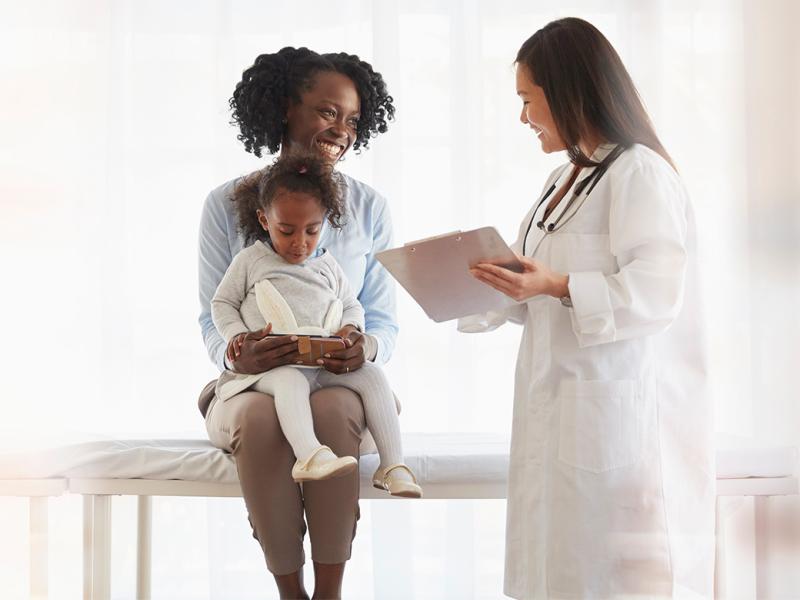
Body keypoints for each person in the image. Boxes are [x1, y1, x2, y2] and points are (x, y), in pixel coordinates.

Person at [461, 18, 714, 599]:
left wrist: (558, 286)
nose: (523, 117)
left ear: (569, 90)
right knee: (552, 570)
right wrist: (490, 284)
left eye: (529, 100)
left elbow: (656, 293)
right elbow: (538, 281)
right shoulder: (564, 178)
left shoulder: (640, 173)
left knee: (602, 578)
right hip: (555, 408)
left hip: (608, 418)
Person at [197, 47, 399, 600]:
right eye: (329, 112)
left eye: (354, 120)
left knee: (332, 409)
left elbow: (382, 319)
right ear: (288, 107)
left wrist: (365, 347)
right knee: (263, 416)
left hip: (335, 381)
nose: (342, 130)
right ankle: (290, 592)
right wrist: (233, 352)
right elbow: (210, 312)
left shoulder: (370, 208)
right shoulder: (225, 204)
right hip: (253, 383)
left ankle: (329, 592)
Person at [211, 151, 421, 496]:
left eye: (312, 230)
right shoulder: (251, 261)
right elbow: (222, 303)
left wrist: (351, 330)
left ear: (325, 221)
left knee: (373, 375)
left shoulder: (327, 265)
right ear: (265, 220)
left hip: (320, 362)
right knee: (290, 380)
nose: (300, 243)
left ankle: (393, 465)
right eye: (286, 230)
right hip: (272, 366)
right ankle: (309, 455)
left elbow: (352, 304)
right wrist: (237, 337)